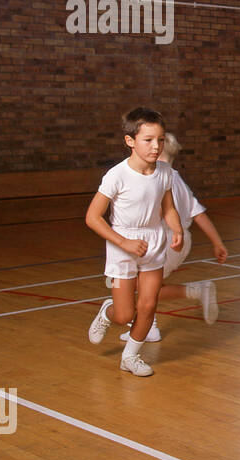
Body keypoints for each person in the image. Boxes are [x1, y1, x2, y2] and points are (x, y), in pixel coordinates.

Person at [85, 107, 183, 377]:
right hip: (122, 244)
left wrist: (177, 230)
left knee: (149, 305)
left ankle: (130, 357)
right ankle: (108, 312)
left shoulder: (164, 172)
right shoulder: (116, 176)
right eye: (148, 140)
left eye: (161, 140)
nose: (156, 146)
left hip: (153, 241)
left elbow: (168, 208)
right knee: (124, 315)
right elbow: (93, 217)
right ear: (130, 141)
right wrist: (124, 243)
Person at [118, 132, 229, 342]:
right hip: (181, 240)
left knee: (144, 287)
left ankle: (194, 293)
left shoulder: (160, 179)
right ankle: (154, 324)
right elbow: (198, 214)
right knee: (148, 286)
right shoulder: (176, 179)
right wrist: (217, 242)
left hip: (166, 241)